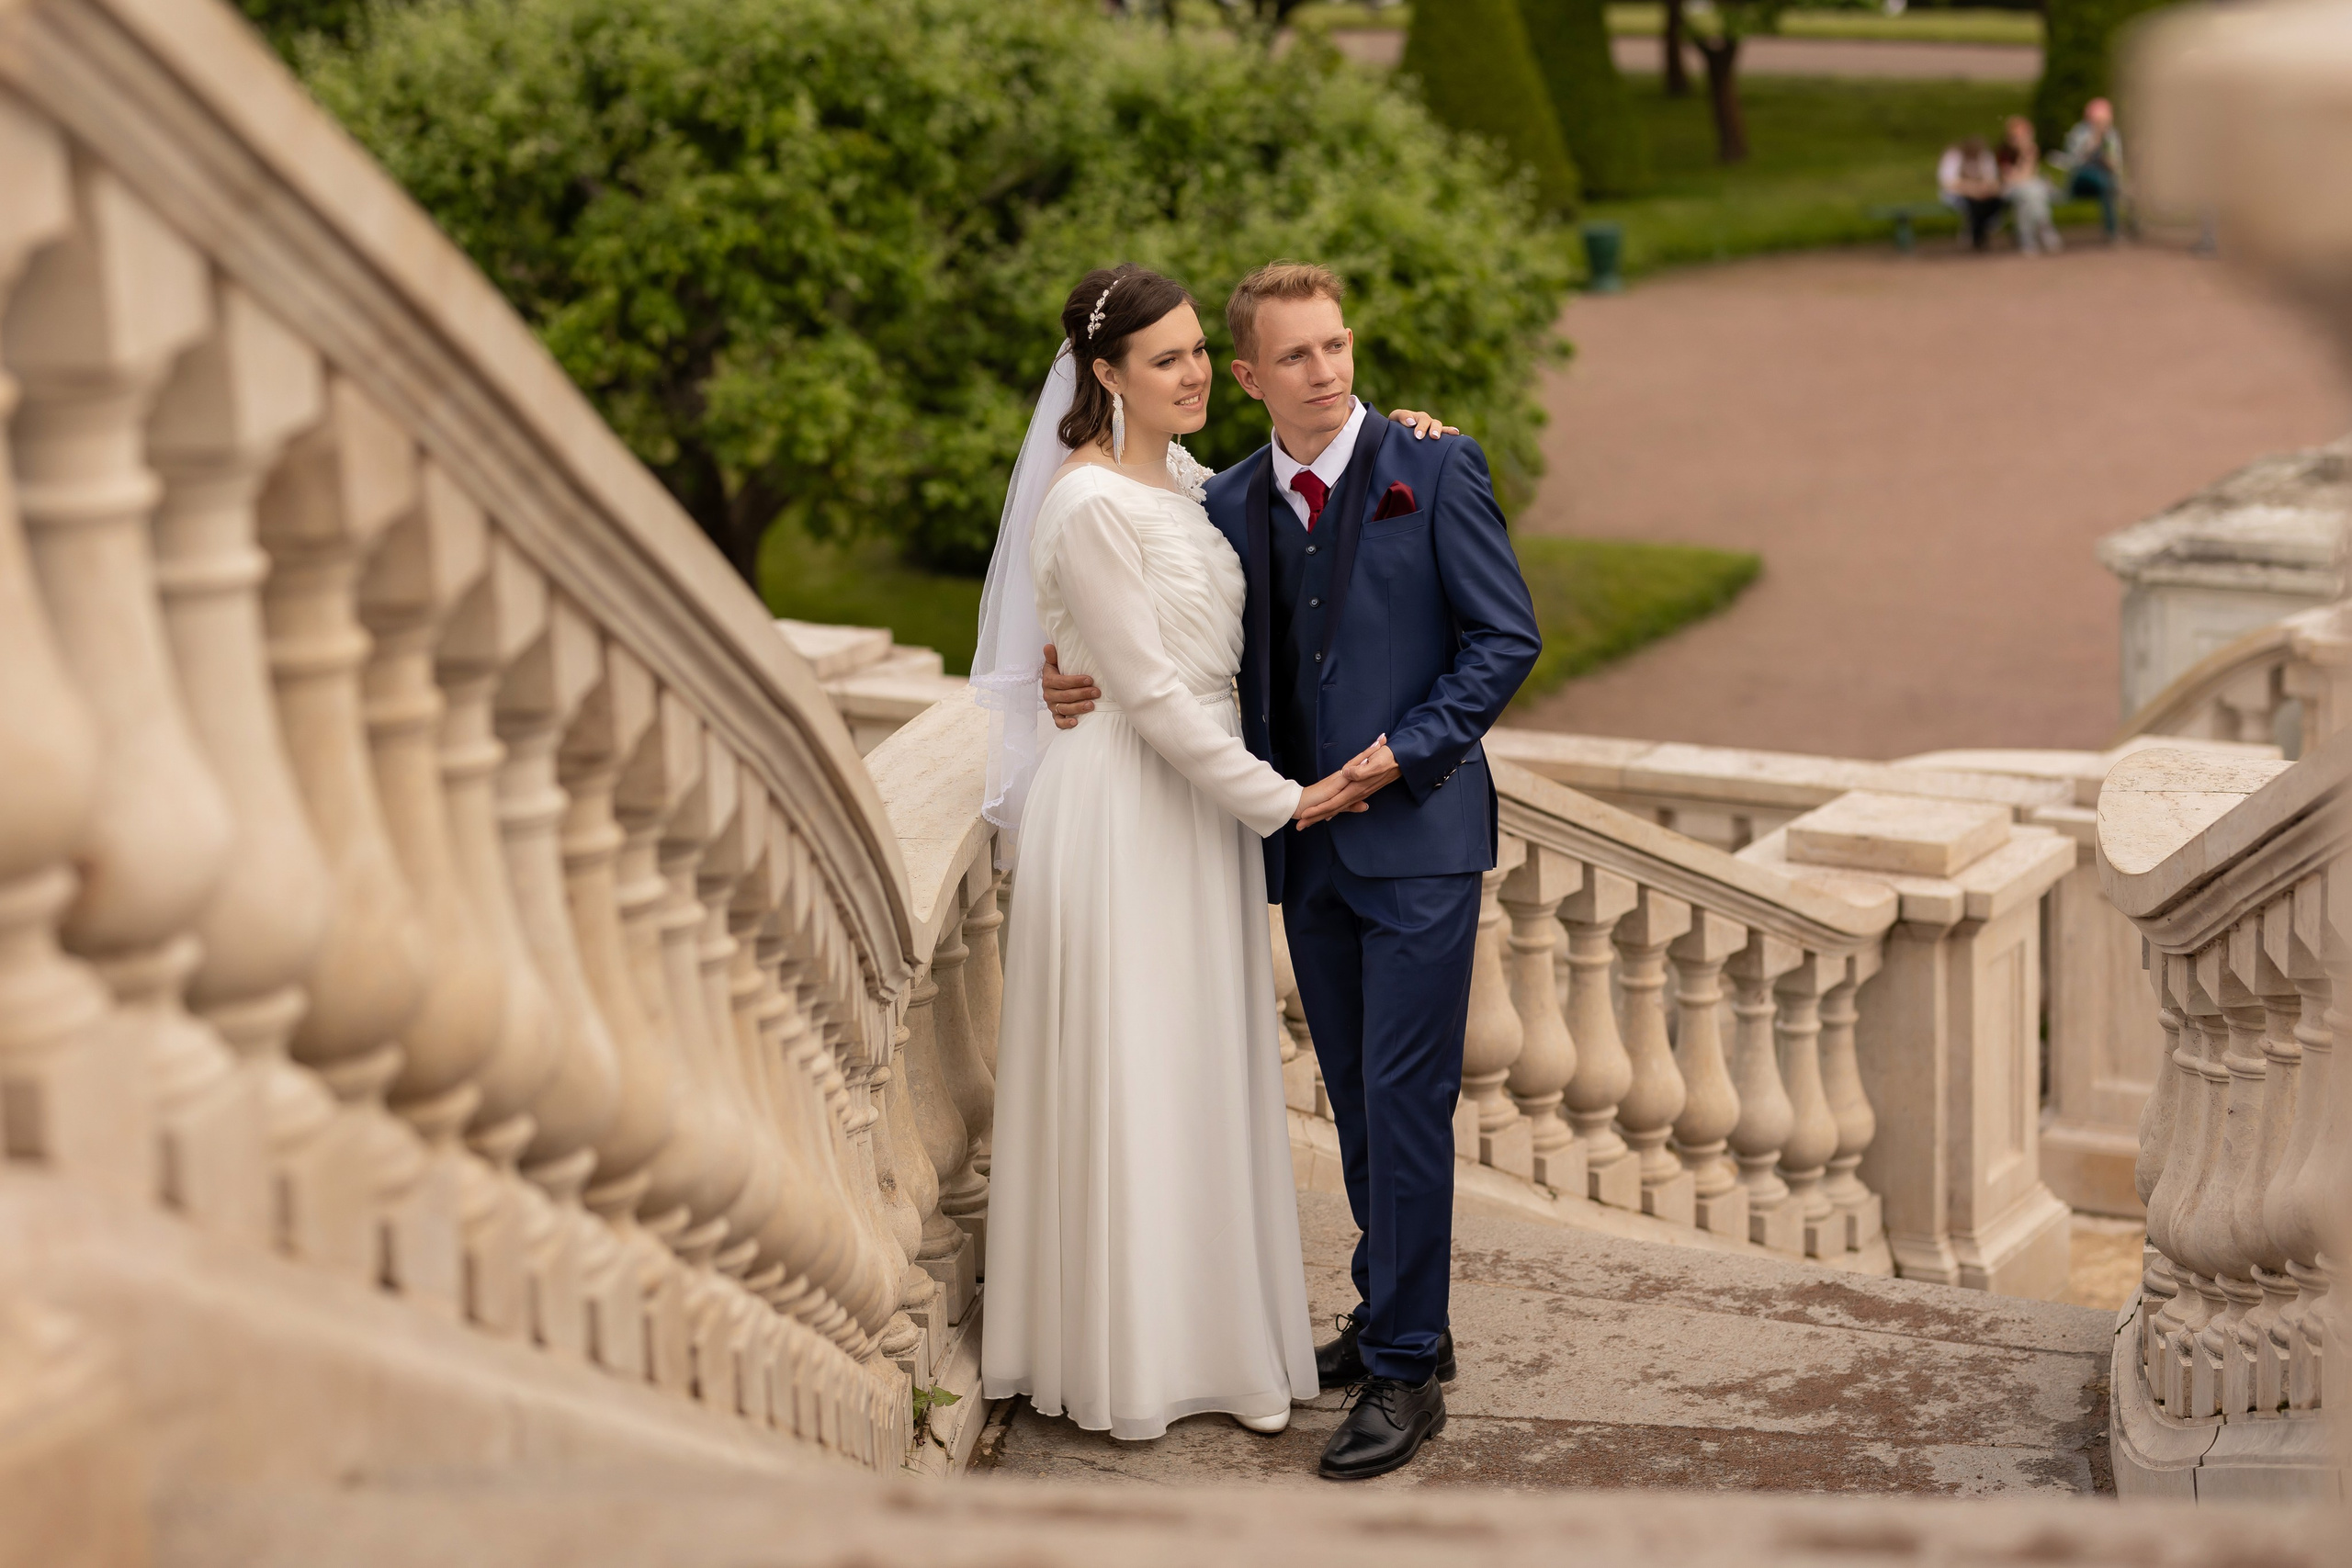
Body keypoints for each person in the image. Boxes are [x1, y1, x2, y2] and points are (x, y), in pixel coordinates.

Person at [1039, 262, 1542, 1481]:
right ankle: (1389, 1316)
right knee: (1361, 1104)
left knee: (1407, 1104)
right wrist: (1071, 670)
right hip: (1303, 855)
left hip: (1417, 842)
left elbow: (1504, 638)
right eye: (1296, 355)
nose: (1327, 370)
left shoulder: (1435, 465)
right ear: (1253, 376)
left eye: (1339, 345)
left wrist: (1401, 755)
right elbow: (1166, 626)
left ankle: (1409, 1363)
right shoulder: (1225, 498)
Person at [2053, 96, 2125, 242]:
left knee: (2109, 183)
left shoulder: (2111, 135)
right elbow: (2075, 160)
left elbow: (2116, 164)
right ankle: (2112, 232)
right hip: (2081, 177)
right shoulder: (2080, 132)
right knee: (2106, 182)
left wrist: (2107, 158)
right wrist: (2095, 139)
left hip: (2104, 179)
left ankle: (2115, 231)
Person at [1998, 116, 2062, 255]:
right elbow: (2011, 179)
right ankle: (2044, 227)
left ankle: (2027, 239)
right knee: (2033, 192)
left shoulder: (2031, 150)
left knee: (2029, 197)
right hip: (2011, 190)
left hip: (2030, 189)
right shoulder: (2004, 153)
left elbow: (2027, 174)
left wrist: (2027, 155)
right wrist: (2024, 157)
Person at [1937, 135, 2006, 252]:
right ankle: (1976, 235)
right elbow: (1949, 182)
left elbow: (1991, 179)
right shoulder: (1954, 156)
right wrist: (1972, 189)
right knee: (1973, 205)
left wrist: (1985, 189)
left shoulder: (1984, 156)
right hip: (1959, 194)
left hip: (1982, 194)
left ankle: (1981, 231)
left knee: (1995, 201)